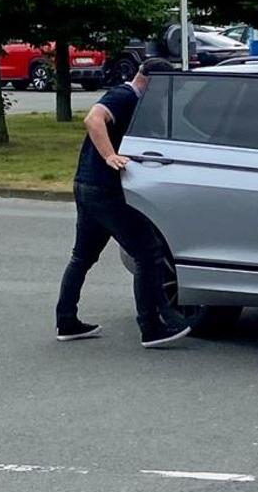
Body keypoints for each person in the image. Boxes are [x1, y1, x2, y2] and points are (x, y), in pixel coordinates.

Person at [54, 58, 197, 348]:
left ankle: (66, 320)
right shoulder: (123, 96)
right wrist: (109, 156)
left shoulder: (141, 103)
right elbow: (93, 119)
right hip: (104, 189)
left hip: (88, 185)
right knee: (148, 251)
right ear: (151, 82)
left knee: (83, 256)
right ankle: (152, 326)